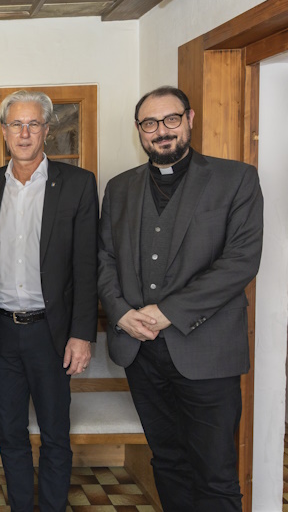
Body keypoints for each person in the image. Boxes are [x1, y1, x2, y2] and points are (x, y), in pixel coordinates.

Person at [97, 86, 263, 512]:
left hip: (207, 353)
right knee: (168, 461)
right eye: (150, 123)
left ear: (189, 119)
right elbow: (105, 259)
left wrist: (168, 312)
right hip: (140, 353)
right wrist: (120, 312)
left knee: (215, 473)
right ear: (139, 130)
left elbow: (240, 262)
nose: (162, 131)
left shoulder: (236, 179)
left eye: (171, 119)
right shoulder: (119, 187)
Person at [0, 90, 98, 512]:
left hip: (53, 333)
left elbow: (87, 266)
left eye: (33, 124)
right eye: (16, 124)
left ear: (47, 130)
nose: (24, 133)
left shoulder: (78, 184)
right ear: (4, 131)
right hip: (2, 333)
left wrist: (82, 334)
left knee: (55, 435)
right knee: (10, 433)